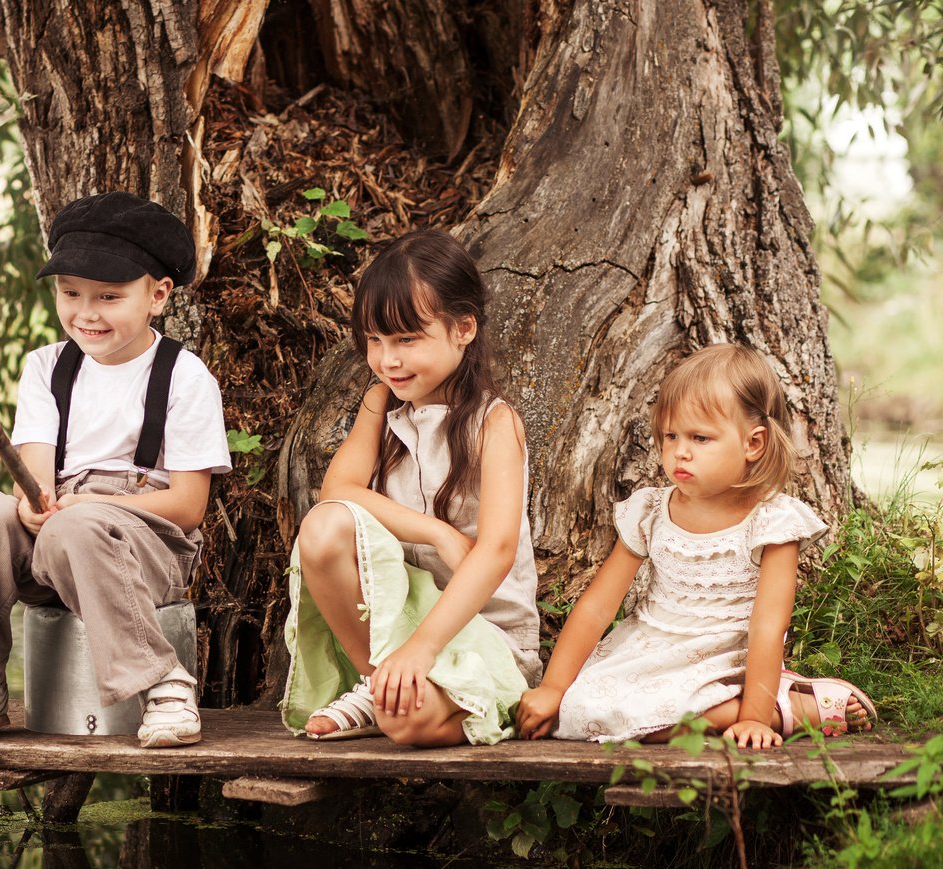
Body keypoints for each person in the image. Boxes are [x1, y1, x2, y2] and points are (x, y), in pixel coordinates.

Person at [0, 192, 232, 750]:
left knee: (77, 527)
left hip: (147, 544)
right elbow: (34, 478)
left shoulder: (183, 374)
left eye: (109, 296)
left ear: (158, 295)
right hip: (57, 536)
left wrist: (92, 511)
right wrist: (35, 504)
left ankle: (163, 683)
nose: (86, 312)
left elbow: (188, 506)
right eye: (70, 293)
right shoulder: (47, 366)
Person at [517, 342, 875, 747]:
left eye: (700, 438)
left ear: (752, 444)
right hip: (650, 653)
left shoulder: (772, 523)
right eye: (671, 435)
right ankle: (767, 707)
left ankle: (778, 709)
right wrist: (553, 687)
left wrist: (754, 720)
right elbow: (598, 606)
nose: (680, 451)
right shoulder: (650, 511)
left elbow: (768, 626)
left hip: (724, 661)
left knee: (661, 719)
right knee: (579, 709)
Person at [281, 229, 541, 748]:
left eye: (406, 339)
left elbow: (495, 552)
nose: (387, 360)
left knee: (406, 725)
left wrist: (423, 648)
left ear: (462, 328)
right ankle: (379, 680)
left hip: (484, 633)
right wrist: (437, 534)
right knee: (324, 524)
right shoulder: (381, 403)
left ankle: (397, 695)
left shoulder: (495, 423)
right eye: (375, 341)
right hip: (397, 628)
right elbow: (338, 488)